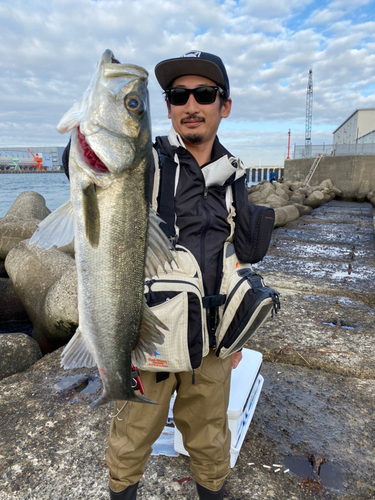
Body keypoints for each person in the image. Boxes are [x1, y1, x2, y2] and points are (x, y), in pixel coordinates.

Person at [106, 51, 247, 500]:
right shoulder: (145, 161)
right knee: (132, 435)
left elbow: (237, 259)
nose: (191, 104)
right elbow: (97, 159)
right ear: (166, 107)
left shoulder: (235, 175)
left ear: (223, 105)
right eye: (178, 95)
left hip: (212, 339)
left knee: (209, 438)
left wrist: (238, 336)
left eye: (204, 94)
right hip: (153, 336)